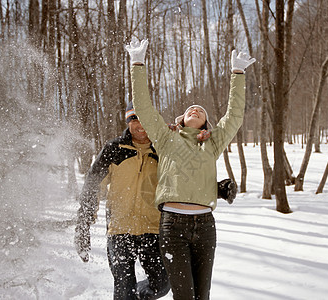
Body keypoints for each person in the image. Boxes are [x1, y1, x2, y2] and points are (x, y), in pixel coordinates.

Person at [125, 38, 255, 300]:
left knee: (202, 296)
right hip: (173, 225)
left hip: (206, 226)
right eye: (189, 109)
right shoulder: (165, 138)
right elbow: (144, 109)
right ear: (181, 120)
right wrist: (137, 64)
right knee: (184, 296)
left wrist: (237, 73)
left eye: (200, 110)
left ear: (205, 123)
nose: (195, 109)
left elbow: (235, 116)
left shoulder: (212, 143)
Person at [74, 102, 170, 300]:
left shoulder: (163, 151)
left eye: (144, 117)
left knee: (162, 284)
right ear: (128, 122)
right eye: (134, 118)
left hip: (152, 230)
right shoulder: (114, 149)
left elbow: (184, 179)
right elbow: (93, 185)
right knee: (124, 288)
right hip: (119, 231)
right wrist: (83, 225)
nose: (140, 123)